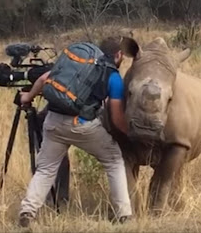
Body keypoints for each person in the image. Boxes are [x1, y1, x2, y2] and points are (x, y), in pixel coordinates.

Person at [17, 37, 132, 227]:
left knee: (45, 169)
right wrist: (129, 134)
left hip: (53, 120)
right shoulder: (113, 76)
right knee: (113, 160)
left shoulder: (80, 65)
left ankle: (28, 211)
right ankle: (124, 215)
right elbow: (117, 116)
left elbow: (44, 79)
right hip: (82, 125)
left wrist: (28, 97)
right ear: (118, 55)